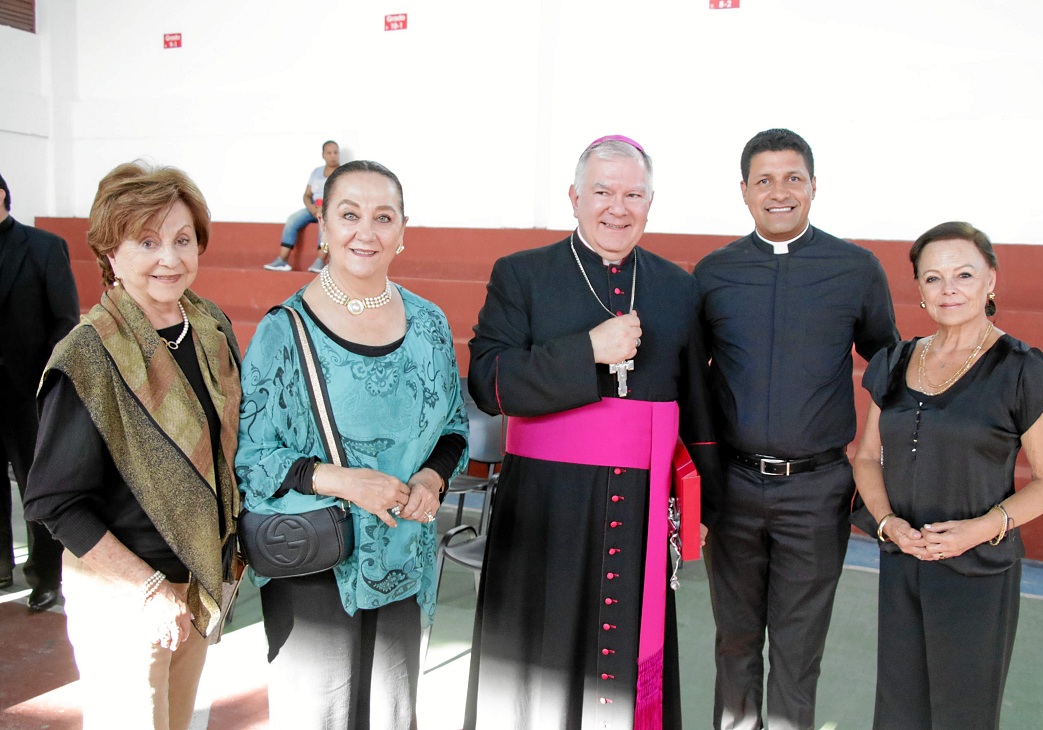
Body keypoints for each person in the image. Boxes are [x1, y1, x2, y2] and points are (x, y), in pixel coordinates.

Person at [464, 136, 719, 730]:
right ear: (575, 198)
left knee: (629, 655)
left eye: (633, 194)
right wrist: (587, 352)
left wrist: (704, 503)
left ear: (650, 204)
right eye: (602, 192)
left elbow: (698, 406)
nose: (617, 207)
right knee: (537, 657)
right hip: (544, 506)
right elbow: (487, 382)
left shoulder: (677, 287)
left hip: (640, 509)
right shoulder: (522, 274)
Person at [236, 159, 469, 730]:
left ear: (403, 230)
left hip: (403, 555)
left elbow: (453, 428)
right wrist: (345, 482)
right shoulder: (284, 330)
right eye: (349, 214)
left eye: (383, 217)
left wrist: (431, 479)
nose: (366, 232)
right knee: (320, 714)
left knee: (392, 713)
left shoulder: (430, 324)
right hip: (315, 556)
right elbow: (253, 456)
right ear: (323, 222)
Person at [22, 161, 242, 730]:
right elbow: (54, 502)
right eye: (147, 241)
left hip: (194, 583)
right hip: (123, 596)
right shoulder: (88, 356)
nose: (169, 258)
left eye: (182, 239)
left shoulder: (211, 328)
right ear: (110, 253)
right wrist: (146, 590)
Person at [694, 128, 899, 730]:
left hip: (817, 491)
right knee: (733, 643)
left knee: (797, 650)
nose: (778, 192)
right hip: (732, 488)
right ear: (744, 191)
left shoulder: (856, 269)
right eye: (764, 180)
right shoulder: (712, 274)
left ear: (813, 187)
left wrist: (874, 463)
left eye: (792, 179)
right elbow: (692, 380)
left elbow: (888, 370)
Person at [851, 221, 1043, 730]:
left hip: (977, 571)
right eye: (932, 278)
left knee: (963, 715)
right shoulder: (896, 361)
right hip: (904, 561)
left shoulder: (1023, 370)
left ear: (990, 279)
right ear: (920, 289)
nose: (948, 289)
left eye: (964, 274)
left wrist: (978, 529)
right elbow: (865, 458)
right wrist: (887, 524)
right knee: (899, 711)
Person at [0, 172, 79, 608]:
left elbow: (65, 321)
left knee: (37, 486)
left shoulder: (44, 247)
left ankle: (47, 577)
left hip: (27, 391)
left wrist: (46, 384)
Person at [263, 139, 340, 273]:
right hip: (313, 208)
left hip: (330, 209)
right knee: (293, 219)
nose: (333, 155)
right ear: (323, 155)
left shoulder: (343, 172)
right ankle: (282, 260)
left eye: (335, 152)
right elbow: (306, 195)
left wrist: (325, 207)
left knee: (324, 226)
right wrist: (311, 207)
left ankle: (320, 261)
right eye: (329, 153)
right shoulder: (316, 172)